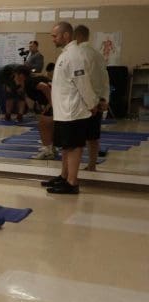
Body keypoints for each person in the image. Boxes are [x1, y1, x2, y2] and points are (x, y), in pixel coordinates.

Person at [44, 22, 98, 194]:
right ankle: (64, 176)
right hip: (63, 111)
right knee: (66, 146)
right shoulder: (65, 54)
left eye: (55, 36)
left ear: (66, 35)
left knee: (74, 146)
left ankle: (72, 182)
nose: (53, 39)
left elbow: (83, 83)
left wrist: (92, 103)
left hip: (73, 110)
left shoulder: (74, 55)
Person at [74, 25, 110, 171]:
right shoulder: (98, 54)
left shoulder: (78, 54)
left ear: (76, 37)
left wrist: (90, 102)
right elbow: (105, 79)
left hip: (83, 101)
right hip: (97, 99)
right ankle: (92, 164)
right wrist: (104, 99)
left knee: (76, 138)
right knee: (93, 136)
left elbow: (81, 81)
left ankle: (72, 169)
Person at [13, 66, 55, 159]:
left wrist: (51, 102)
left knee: (43, 124)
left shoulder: (29, 82)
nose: (14, 78)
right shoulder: (30, 81)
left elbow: (45, 87)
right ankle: (51, 148)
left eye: (15, 76)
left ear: (21, 76)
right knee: (47, 125)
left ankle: (48, 151)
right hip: (58, 100)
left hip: (58, 101)